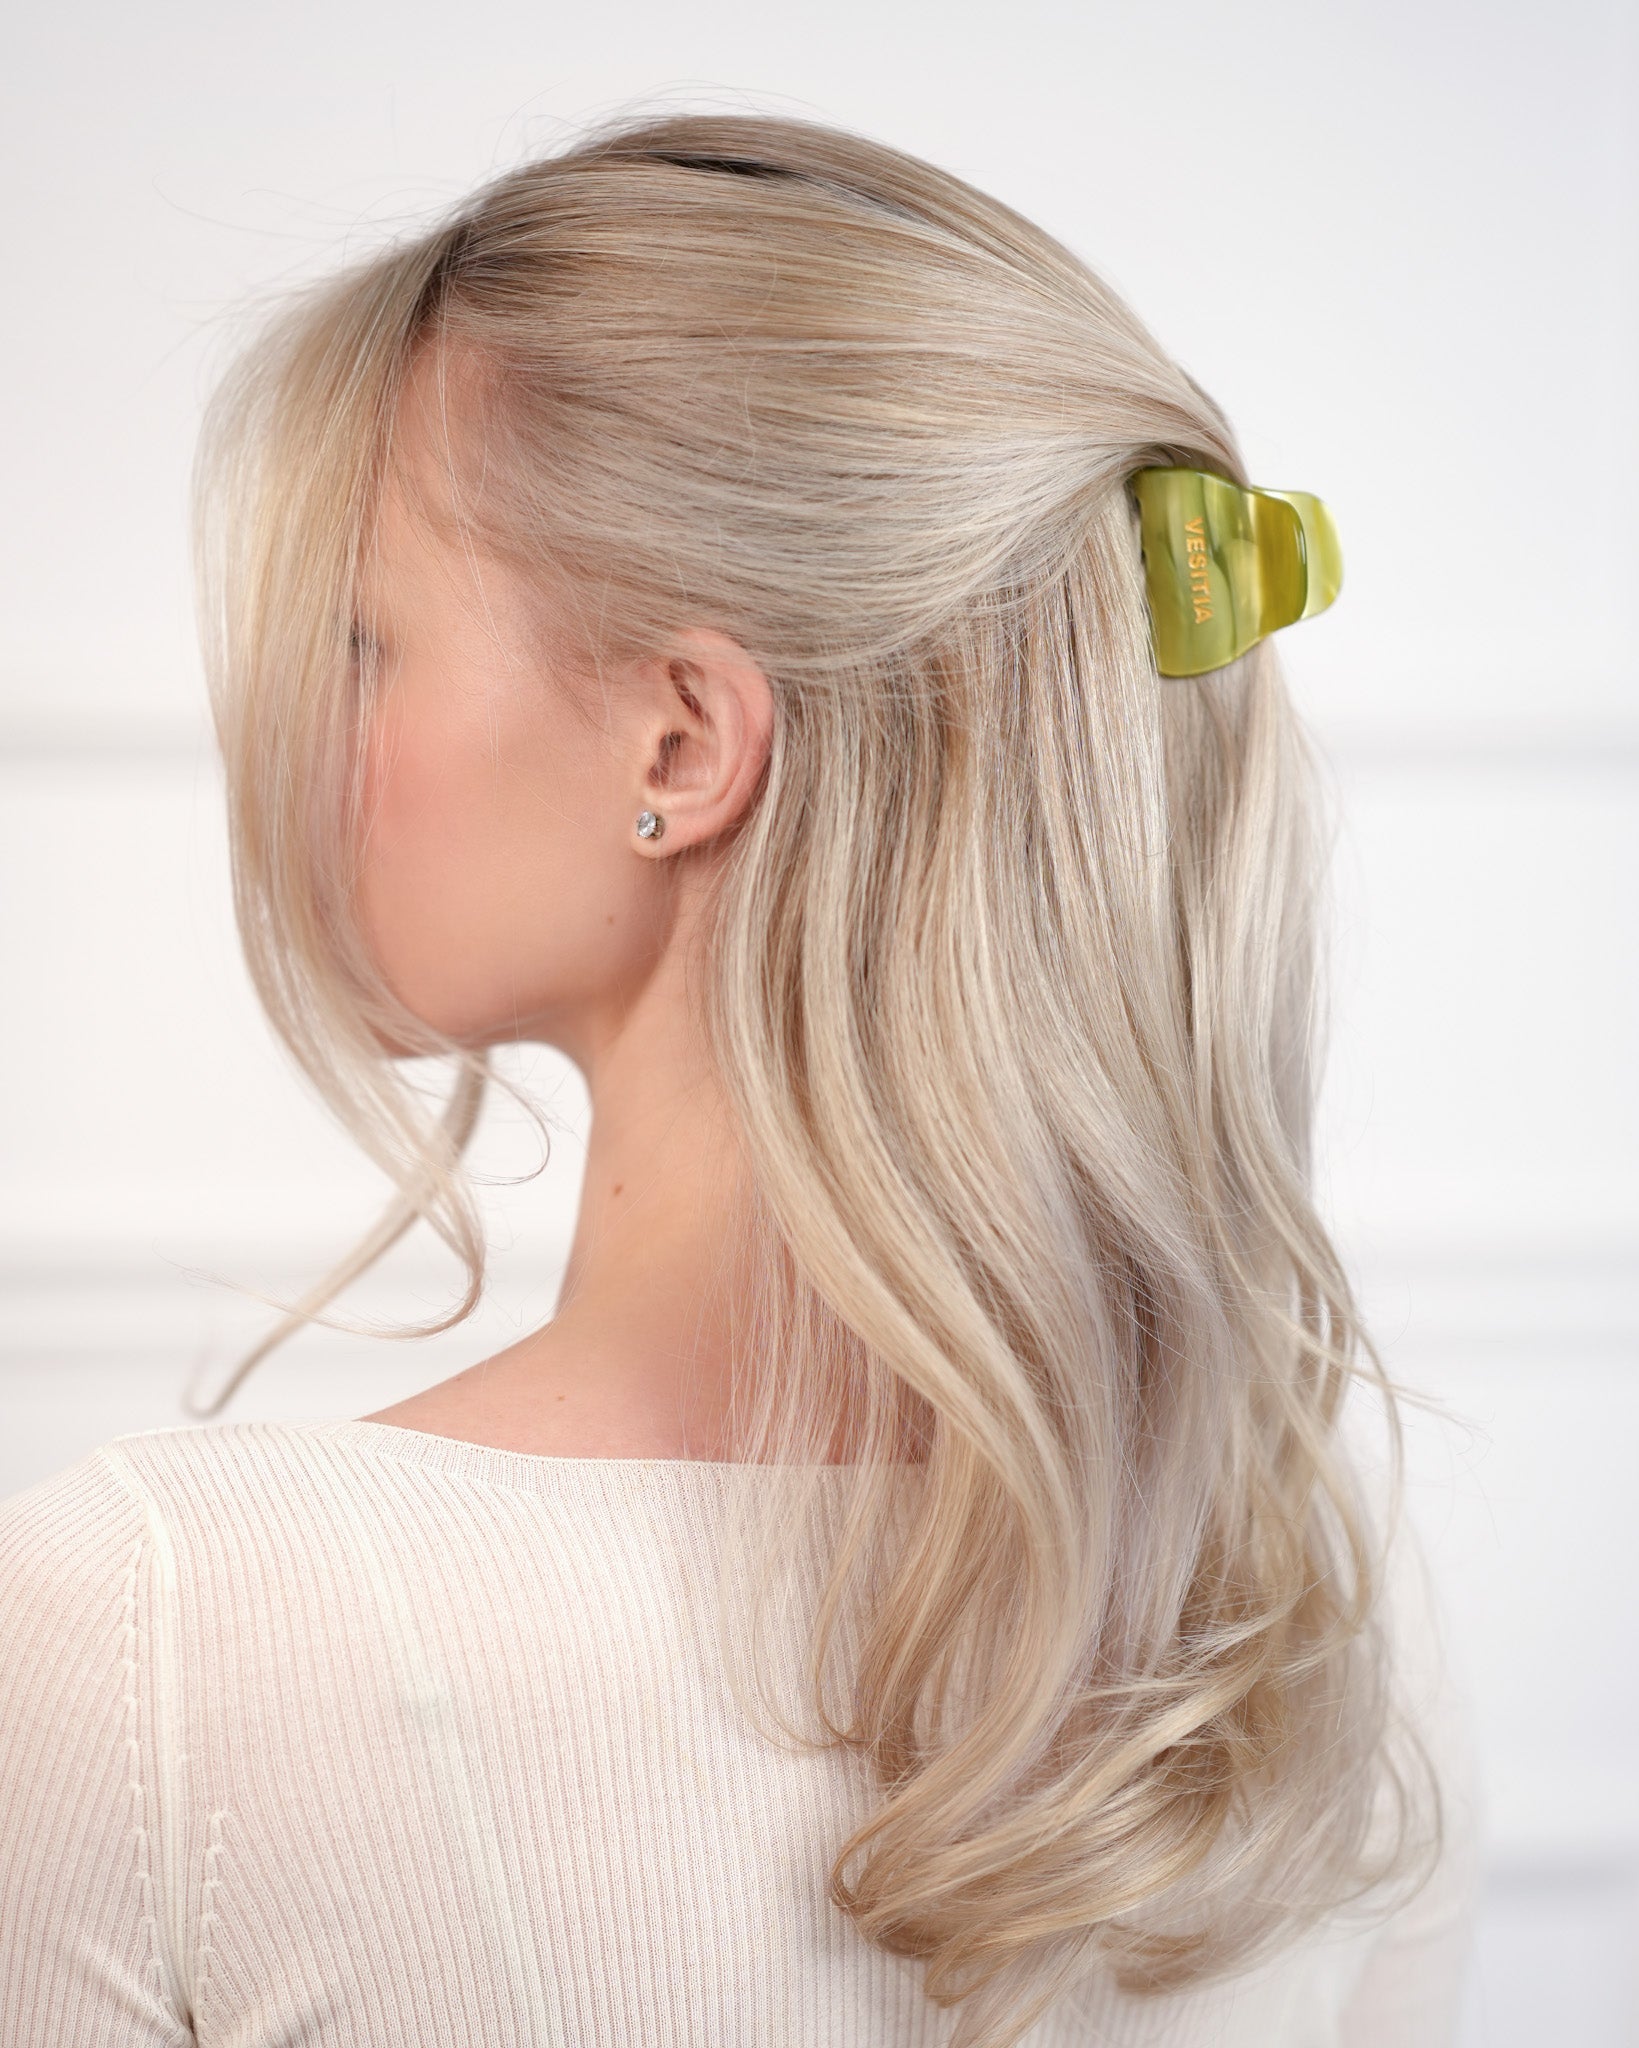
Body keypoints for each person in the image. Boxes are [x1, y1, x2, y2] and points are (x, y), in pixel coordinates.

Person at [0, 111, 1480, 2046]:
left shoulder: (154, 1628)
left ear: (686, 744)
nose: (296, 727)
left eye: (369, 644)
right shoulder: (1298, 1629)